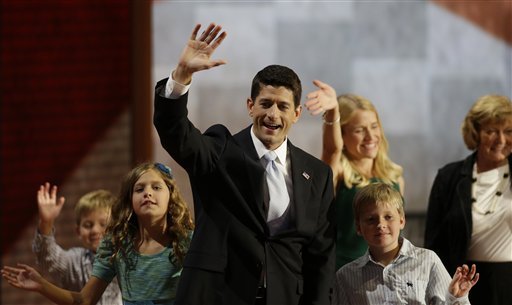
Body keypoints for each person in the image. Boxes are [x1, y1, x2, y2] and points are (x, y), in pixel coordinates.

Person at [153, 23, 335, 305]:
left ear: (297, 113)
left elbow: (320, 257)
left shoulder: (318, 174)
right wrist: (181, 77)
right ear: (250, 106)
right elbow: (177, 134)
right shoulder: (219, 151)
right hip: (219, 297)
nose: (272, 114)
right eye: (265, 104)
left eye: (283, 106)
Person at [2, 162, 194, 305]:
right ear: (130, 202)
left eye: (157, 187)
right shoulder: (117, 245)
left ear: (171, 196)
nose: (148, 193)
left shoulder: (188, 241)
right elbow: (84, 298)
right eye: (139, 189)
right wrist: (41, 285)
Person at [305, 81, 404, 269]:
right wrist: (333, 111)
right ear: (342, 135)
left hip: (389, 277)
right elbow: (331, 150)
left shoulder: (395, 176)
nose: (370, 136)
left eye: (374, 126)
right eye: (359, 130)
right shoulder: (337, 173)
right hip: (345, 276)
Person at [424, 94, 512, 305]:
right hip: (464, 283)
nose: (501, 140)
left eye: (508, 131)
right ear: (475, 134)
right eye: (491, 131)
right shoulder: (448, 177)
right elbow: (433, 245)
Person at [333, 182, 479, 305]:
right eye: (371, 219)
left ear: (402, 220)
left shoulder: (428, 260)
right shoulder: (345, 276)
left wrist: (456, 297)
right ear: (358, 227)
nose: (380, 224)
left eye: (388, 217)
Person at [32, 183, 122, 305]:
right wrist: (46, 222)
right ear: (78, 231)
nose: (95, 230)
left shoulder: (126, 258)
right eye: (88, 225)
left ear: (117, 228)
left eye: (103, 224)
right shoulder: (75, 261)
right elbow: (48, 257)